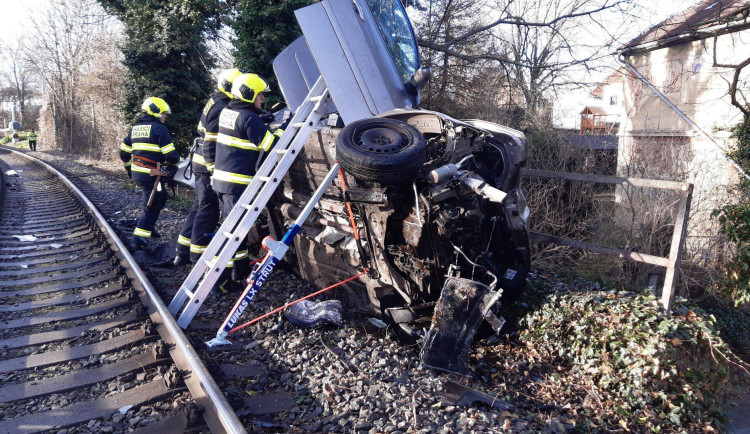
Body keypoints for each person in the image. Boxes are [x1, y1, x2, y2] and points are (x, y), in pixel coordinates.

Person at [213, 73, 285, 283]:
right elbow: (270, 145)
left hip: (221, 181)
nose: (262, 99)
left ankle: (239, 273)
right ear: (248, 94)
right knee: (233, 235)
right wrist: (283, 129)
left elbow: (242, 125)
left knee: (234, 232)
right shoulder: (248, 118)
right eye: (260, 95)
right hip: (235, 183)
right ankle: (222, 281)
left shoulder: (228, 111)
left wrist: (261, 119)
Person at [174, 68, 241, 266]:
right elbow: (211, 139)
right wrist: (213, 168)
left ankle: (183, 251)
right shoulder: (221, 107)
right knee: (208, 209)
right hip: (206, 165)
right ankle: (198, 256)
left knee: (199, 206)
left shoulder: (216, 101)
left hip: (200, 161)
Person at [119, 97, 179, 250]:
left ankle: (149, 228)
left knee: (159, 198)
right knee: (152, 204)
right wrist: (179, 161)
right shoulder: (159, 129)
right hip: (152, 175)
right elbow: (171, 156)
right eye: (163, 114)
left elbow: (123, 153)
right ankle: (139, 237)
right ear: (156, 112)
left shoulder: (135, 129)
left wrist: (128, 169)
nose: (165, 116)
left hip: (139, 174)